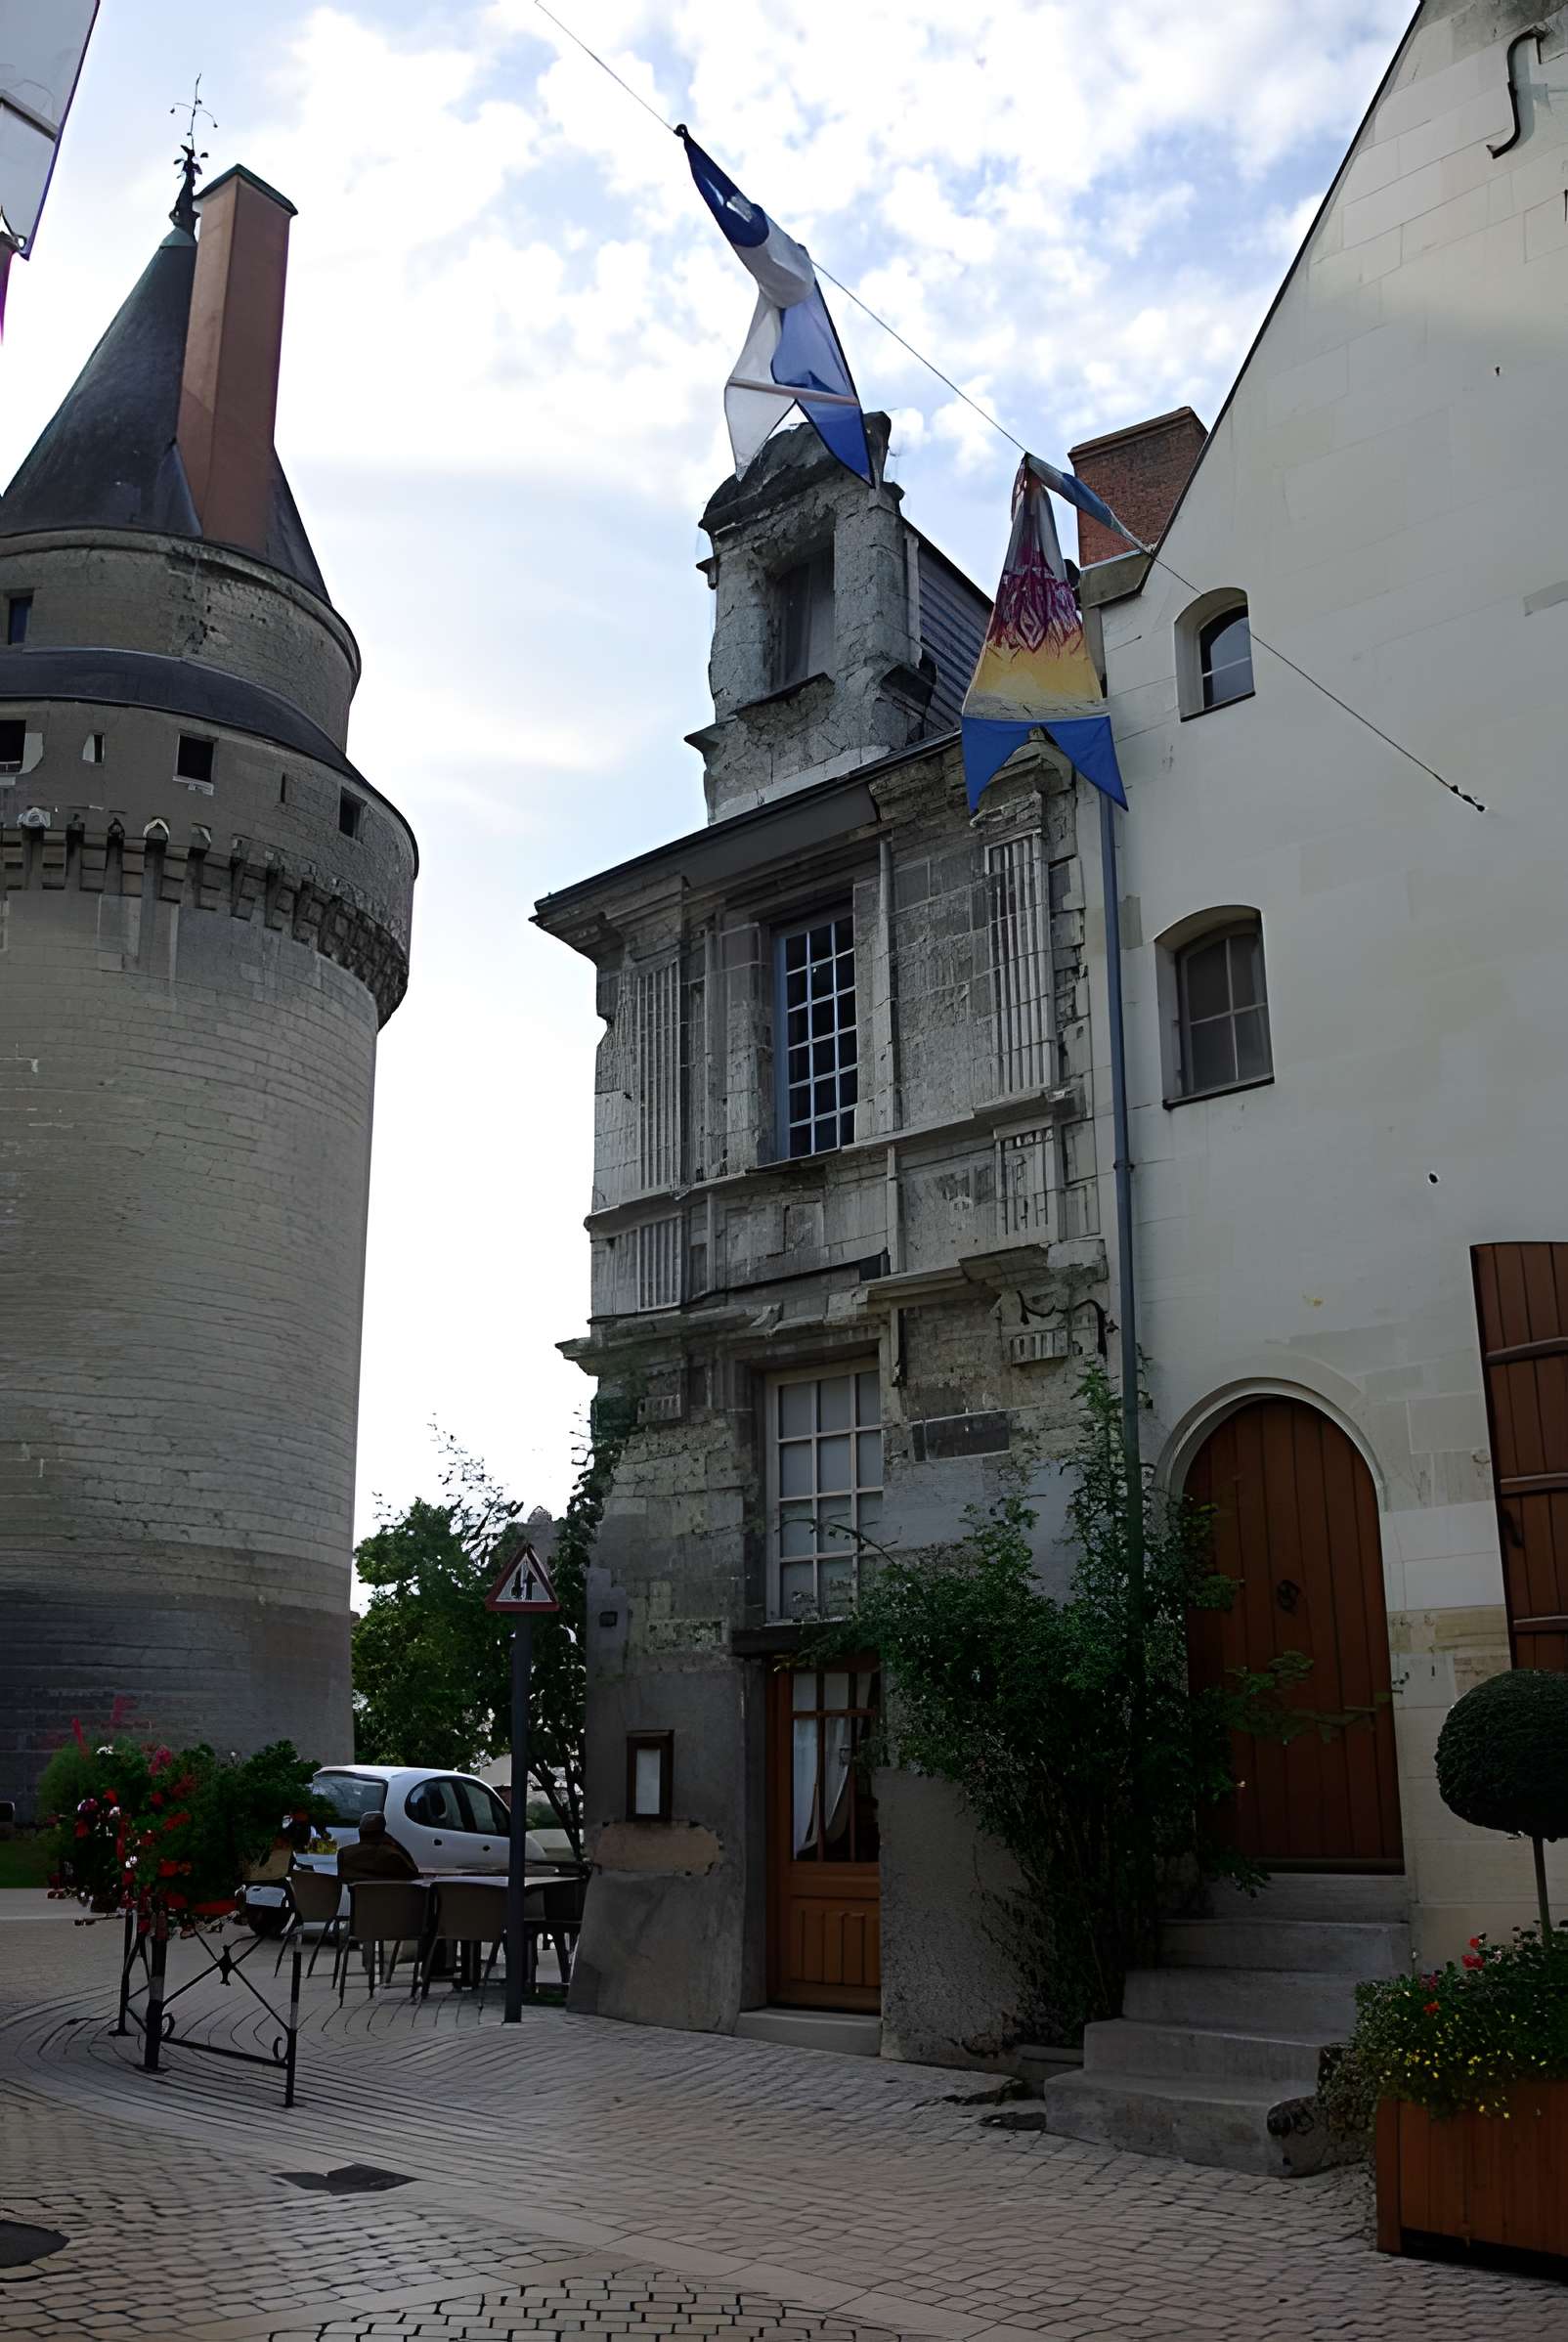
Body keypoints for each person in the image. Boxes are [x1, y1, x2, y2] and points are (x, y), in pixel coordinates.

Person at [336, 1807, 419, 1882]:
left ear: (360, 1831)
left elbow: (342, 1879)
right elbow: (414, 1873)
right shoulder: (393, 1855)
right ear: (383, 1832)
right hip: (390, 1894)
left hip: (361, 1894)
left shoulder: (344, 1854)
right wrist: (395, 1843)